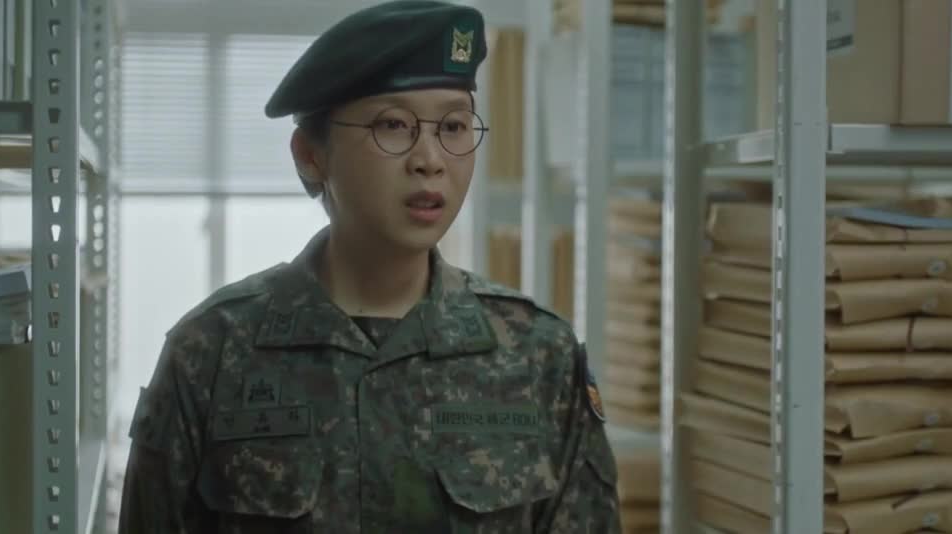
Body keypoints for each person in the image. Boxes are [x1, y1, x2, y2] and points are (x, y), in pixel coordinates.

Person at [117, 1, 622, 532]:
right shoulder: (212, 353)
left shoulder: (539, 356)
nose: (430, 160)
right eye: (394, 125)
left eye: (453, 126)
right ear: (311, 155)